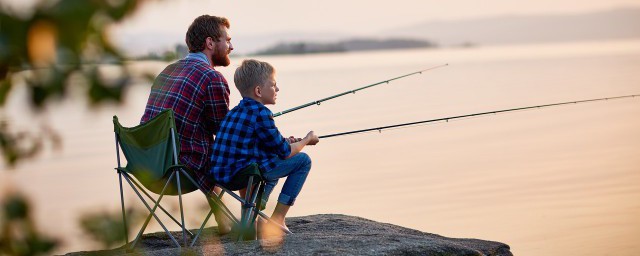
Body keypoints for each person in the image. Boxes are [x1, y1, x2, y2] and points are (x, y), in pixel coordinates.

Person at [140, 15, 234, 233]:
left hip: (147, 165)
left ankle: (224, 222)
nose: (231, 46)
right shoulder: (212, 78)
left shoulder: (167, 71)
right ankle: (248, 224)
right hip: (178, 171)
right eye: (227, 40)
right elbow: (223, 133)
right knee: (236, 152)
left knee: (204, 148)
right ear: (210, 43)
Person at [209, 59, 319, 234]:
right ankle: (278, 219)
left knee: (270, 159)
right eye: (273, 85)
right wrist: (306, 139)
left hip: (221, 177)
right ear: (259, 91)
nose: (277, 89)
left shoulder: (234, 112)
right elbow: (285, 152)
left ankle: (253, 216)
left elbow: (260, 142)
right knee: (303, 161)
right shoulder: (262, 113)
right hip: (244, 175)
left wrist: (286, 140)